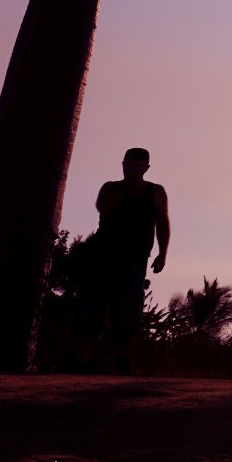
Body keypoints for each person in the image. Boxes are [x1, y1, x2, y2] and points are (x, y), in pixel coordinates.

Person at [85, 147, 169, 364]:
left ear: (146, 168)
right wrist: (126, 188)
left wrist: (163, 253)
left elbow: (162, 222)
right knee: (92, 305)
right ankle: (83, 358)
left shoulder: (156, 191)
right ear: (122, 165)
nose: (131, 168)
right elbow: (102, 208)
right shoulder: (110, 188)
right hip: (103, 255)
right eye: (128, 164)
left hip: (136, 257)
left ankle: (121, 358)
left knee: (128, 310)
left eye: (137, 165)